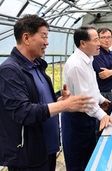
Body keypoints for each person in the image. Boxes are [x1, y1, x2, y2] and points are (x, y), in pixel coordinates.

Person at [0, 14, 94, 171]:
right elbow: (23, 112)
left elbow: (40, 104)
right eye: (43, 36)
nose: (47, 42)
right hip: (28, 157)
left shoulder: (37, 66)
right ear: (26, 38)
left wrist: (59, 102)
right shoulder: (10, 70)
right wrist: (64, 105)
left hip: (46, 150)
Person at [62, 25, 112, 171]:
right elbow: (84, 99)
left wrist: (101, 99)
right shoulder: (76, 65)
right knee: (78, 162)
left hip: (88, 117)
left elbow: (92, 88)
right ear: (83, 43)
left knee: (90, 159)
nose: (100, 43)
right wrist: (102, 115)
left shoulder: (88, 60)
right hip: (77, 120)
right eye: (96, 39)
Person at [93, 28, 112, 115]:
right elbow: (102, 74)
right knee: (104, 121)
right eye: (103, 37)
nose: (107, 40)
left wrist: (111, 72)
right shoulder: (97, 54)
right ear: (98, 39)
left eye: (109, 37)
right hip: (103, 94)